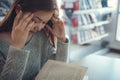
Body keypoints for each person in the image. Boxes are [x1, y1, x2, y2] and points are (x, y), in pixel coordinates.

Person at [0, 0, 69, 80]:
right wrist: (17, 47)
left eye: (44, 22)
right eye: (35, 21)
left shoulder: (40, 35)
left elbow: (57, 69)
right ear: (19, 10)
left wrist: (62, 39)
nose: (39, 27)